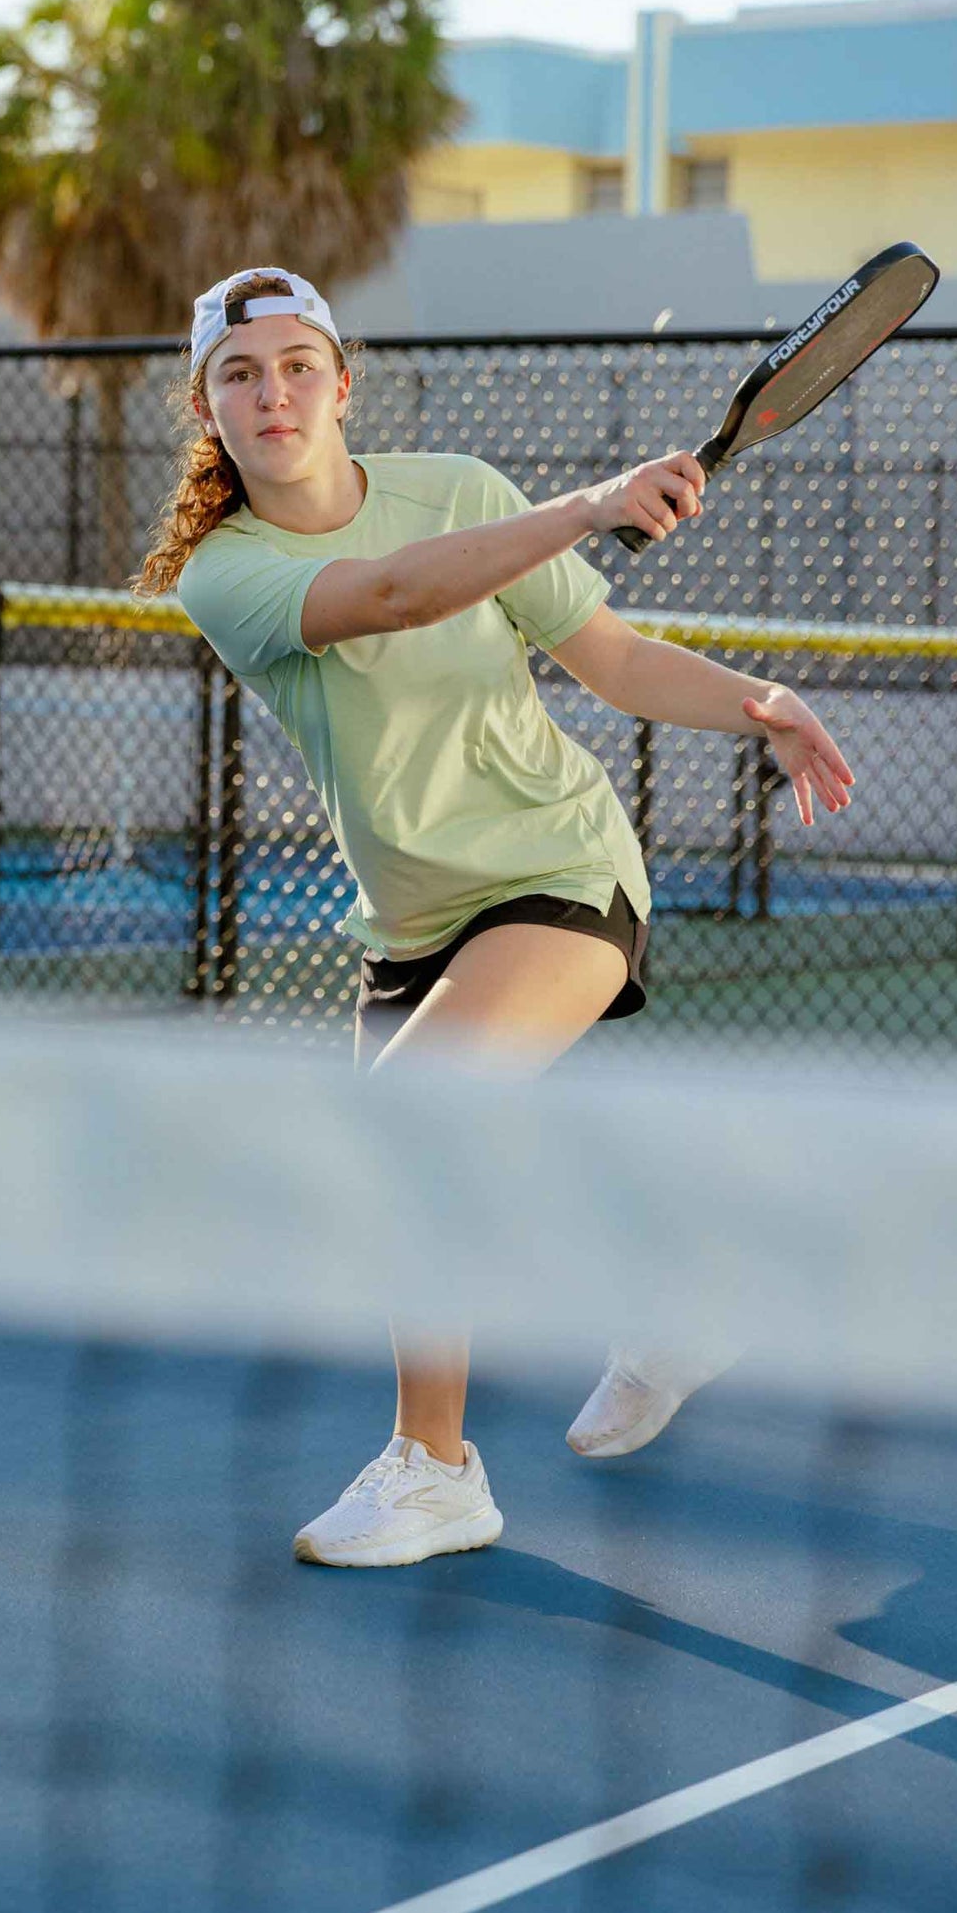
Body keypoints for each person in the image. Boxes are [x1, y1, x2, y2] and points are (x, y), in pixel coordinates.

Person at [142, 267, 854, 1568]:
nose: (274, 391)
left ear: (342, 382)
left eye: (298, 363)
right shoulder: (224, 570)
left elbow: (614, 660)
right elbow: (395, 595)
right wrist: (583, 506)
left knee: (416, 1117)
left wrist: (761, 703)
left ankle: (446, 1451)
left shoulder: (460, 486)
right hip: (410, 920)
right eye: (240, 374)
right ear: (208, 406)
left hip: (560, 870)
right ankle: (480, 1446)